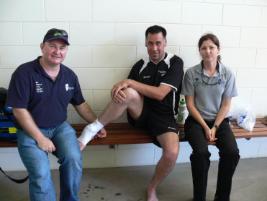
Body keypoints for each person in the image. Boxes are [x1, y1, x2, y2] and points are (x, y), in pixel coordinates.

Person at [78, 25, 184, 201]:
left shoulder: (175, 62)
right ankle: (93, 128)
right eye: (150, 43)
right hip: (141, 114)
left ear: (165, 43)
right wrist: (117, 90)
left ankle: (151, 188)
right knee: (127, 92)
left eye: (158, 43)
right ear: (145, 43)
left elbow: (160, 94)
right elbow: (124, 92)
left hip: (165, 117)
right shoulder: (140, 66)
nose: (154, 48)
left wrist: (129, 82)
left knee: (172, 153)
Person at [6, 28, 106, 201]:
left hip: (60, 127)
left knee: (73, 159)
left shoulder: (69, 75)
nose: (57, 51)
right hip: (30, 130)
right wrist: (40, 138)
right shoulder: (24, 73)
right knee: (41, 173)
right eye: (52, 46)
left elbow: (80, 104)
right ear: (42, 47)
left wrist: (97, 125)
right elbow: (19, 110)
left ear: (66, 51)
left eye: (62, 48)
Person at [182, 33, 240, 201]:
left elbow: (225, 105)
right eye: (204, 48)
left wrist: (214, 127)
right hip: (196, 121)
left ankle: (222, 197)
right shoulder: (191, 74)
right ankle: (198, 197)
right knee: (200, 154)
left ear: (218, 49)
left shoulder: (228, 74)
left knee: (231, 153)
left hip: (219, 122)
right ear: (199, 51)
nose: (208, 51)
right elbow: (190, 105)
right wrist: (206, 127)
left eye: (211, 47)